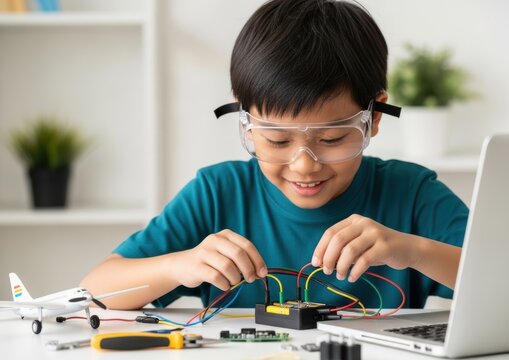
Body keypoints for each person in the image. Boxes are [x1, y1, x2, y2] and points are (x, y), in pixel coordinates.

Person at [81, 0, 468, 310]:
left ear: (374, 118)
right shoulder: (217, 192)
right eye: (277, 141)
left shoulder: (413, 194)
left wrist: (413, 250)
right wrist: (178, 266)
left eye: (332, 139)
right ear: (246, 119)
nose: (303, 164)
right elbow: (93, 291)